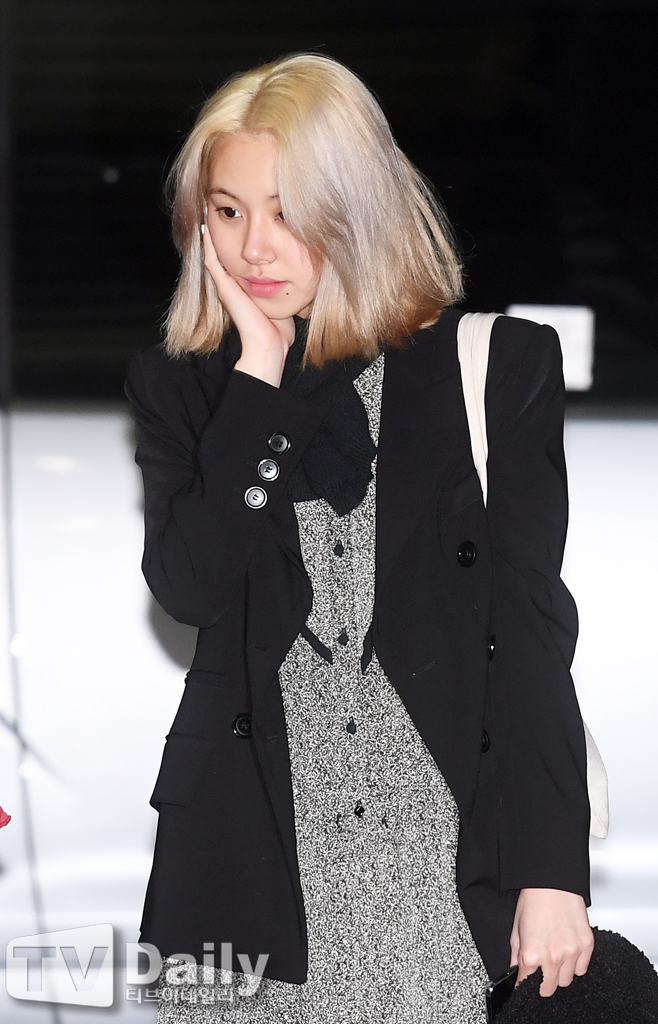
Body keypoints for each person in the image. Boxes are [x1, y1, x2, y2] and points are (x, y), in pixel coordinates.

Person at [125, 53, 594, 1024]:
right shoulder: (187, 392)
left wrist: (551, 871)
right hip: (247, 867)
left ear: (356, 207)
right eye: (227, 211)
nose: (255, 245)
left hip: (433, 860)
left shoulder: (495, 368)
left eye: (288, 210)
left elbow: (531, 632)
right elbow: (189, 586)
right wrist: (257, 379)